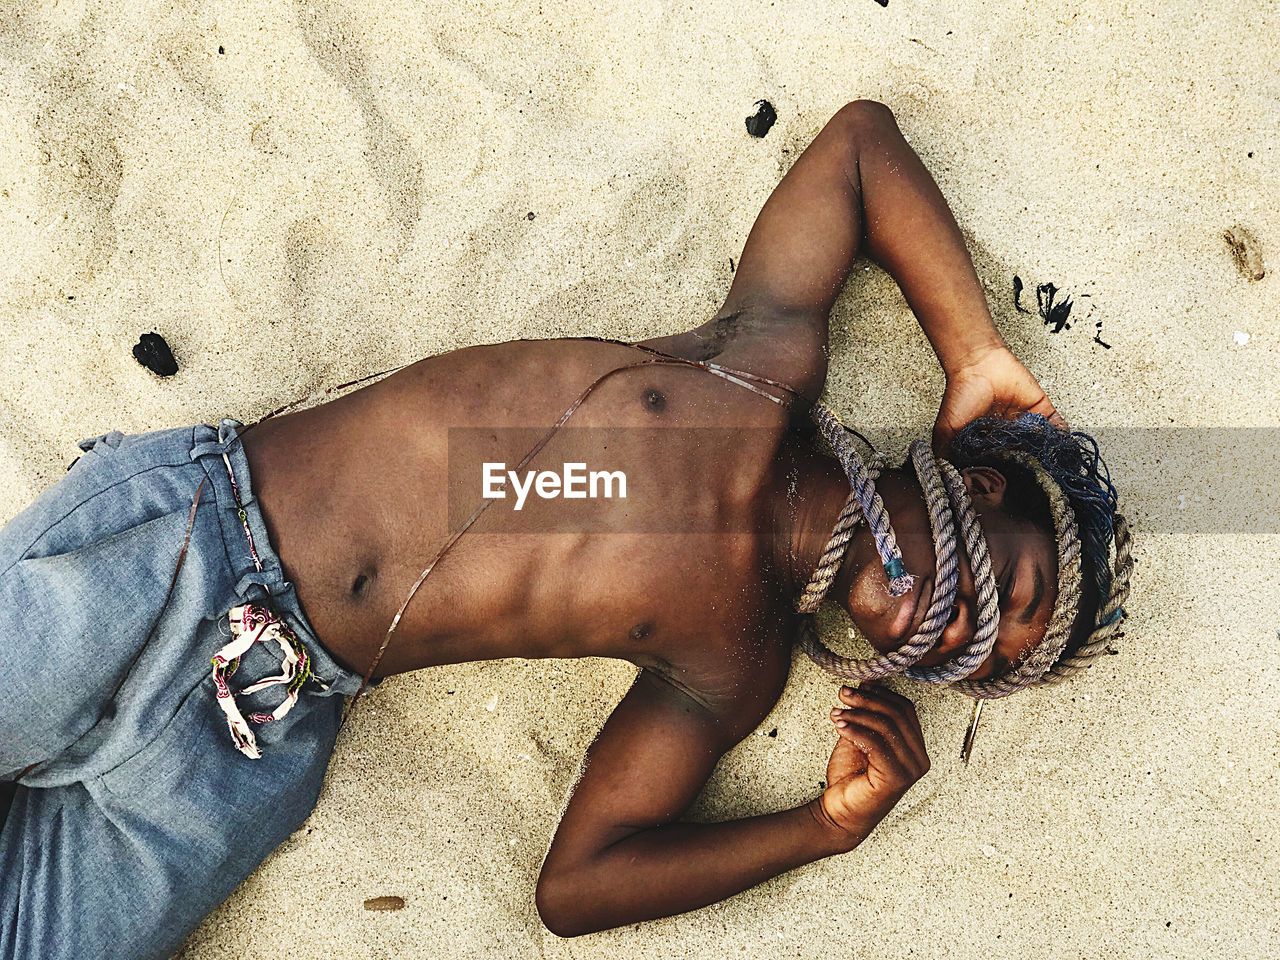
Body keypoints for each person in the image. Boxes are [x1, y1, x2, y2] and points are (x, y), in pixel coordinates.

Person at [0, 99, 1126, 956]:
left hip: (257, 731)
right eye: (1005, 596)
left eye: (971, 657)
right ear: (973, 491)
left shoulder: (731, 661)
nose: (956, 632)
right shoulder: (759, 371)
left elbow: (577, 886)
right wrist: (974, 352)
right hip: (189, 546)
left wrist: (822, 828)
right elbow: (858, 150)